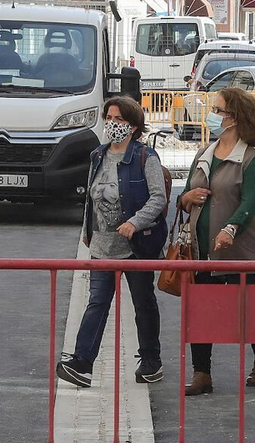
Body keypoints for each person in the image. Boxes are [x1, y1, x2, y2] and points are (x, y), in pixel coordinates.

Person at [57, 97, 170, 388]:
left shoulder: (146, 157)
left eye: (118, 119)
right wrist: (87, 230)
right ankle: (82, 363)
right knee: (97, 303)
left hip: (136, 248)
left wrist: (135, 222)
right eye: (109, 117)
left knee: (143, 303)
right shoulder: (98, 156)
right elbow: (90, 198)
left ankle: (150, 361)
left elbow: (158, 198)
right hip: (102, 247)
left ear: (132, 126)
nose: (111, 124)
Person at [179, 86, 255, 396]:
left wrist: (230, 229)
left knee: (248, 311)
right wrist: (187, 198)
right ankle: (202, 374)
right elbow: (184, 196)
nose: (212, 115)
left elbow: (250, 202)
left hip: (244, 251)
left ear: (234, 119)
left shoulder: (251, 161)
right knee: (202, 310)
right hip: (203, 251)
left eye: (218, 110)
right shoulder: (203, 154)